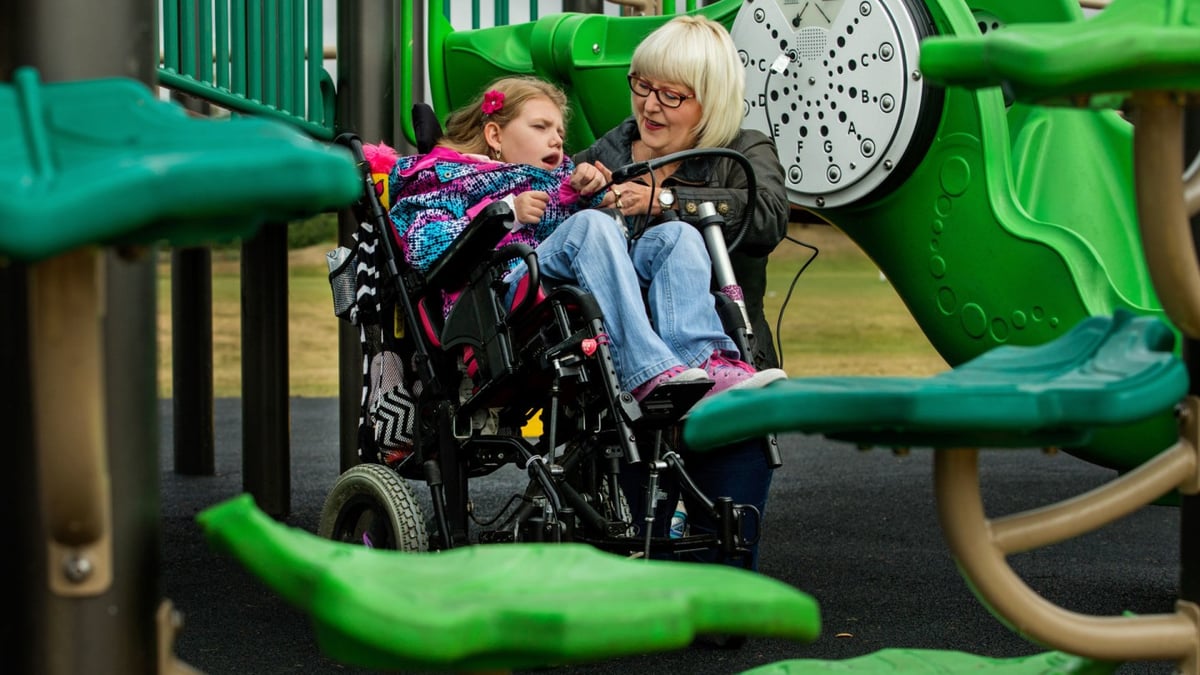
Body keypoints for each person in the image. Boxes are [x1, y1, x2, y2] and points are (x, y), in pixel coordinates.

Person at [386, 75, 785, 403]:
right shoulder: (442, 178)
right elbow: (428, 250)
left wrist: (592, 192)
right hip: (497, 302)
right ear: (494, 133)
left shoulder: (560, 182)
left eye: (560, 131)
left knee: (676, 234)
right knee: (591, 227)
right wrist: (504, 212)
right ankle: (648, 370)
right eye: (541, 128)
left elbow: (604, 246)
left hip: (563, 288)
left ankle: (700, 361)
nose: (558, 140)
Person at [570, 15, 792, 571]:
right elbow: (564, 229)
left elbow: (766, 219)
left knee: (724, 558)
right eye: (641, 85)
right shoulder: (613, 148)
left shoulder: (744, 149)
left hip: (729, 372)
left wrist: (667, 202)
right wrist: (579, 189)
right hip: (618, 385)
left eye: (672, 95)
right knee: (636, 549)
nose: (650, 106)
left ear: (710, 100)